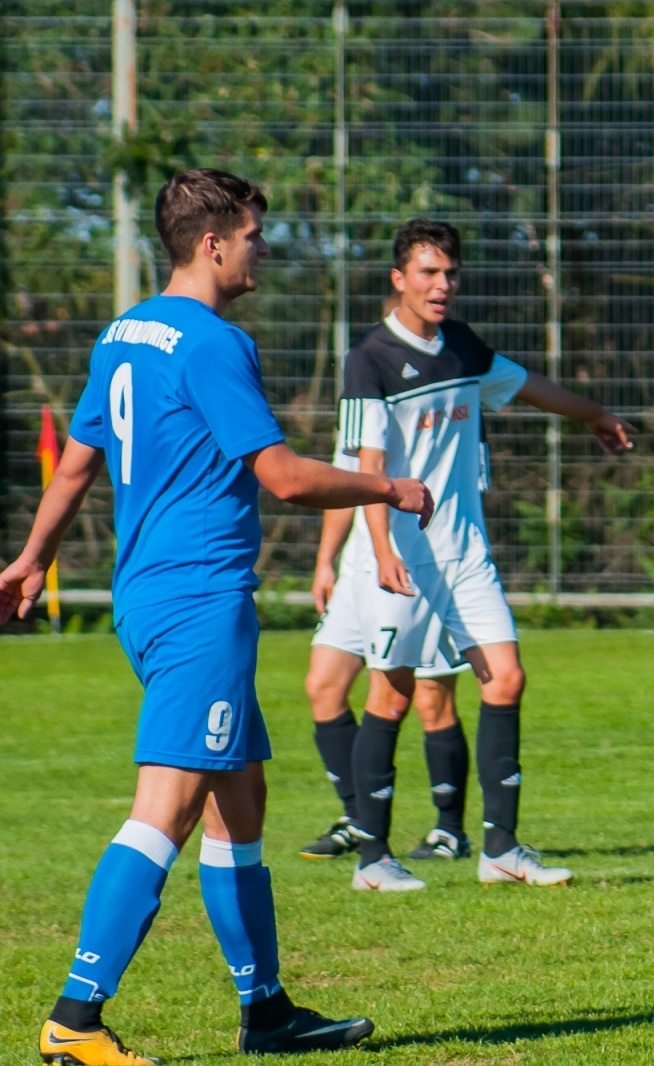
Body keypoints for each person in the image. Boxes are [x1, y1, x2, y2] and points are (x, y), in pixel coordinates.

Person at [0, 167, 432, 1064]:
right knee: (166, 809)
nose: (262, 248)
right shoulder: (210, 342)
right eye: (255, 234)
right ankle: (74, 1021)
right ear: (214, 242)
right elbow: (283, 477)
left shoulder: (124, 334)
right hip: (199, 598)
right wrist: (389, 485)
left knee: (243, 801)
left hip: (148, 594)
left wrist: (32, 556)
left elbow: (77, 464)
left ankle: (265, 1011)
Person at [340, 217, 635, 891]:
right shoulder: (371, 359)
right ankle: (372, 860)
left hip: (464, 554)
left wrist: (593, 414)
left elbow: (530, 386)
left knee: (505, 678)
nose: (442, 285)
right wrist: (381, 547)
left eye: (449, 274)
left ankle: (500, 849)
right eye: (427, 273)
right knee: (390, 694)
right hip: (401, 554)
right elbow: (369, 463)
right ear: (399, 280)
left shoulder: (462, 348)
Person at [300, 293, 476, 863]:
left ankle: (449, 829)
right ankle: (360, 817)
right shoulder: (364, 392)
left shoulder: (443, 402)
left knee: (428, 697)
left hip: (421, 559)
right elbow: (346, 482)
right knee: (324, 684)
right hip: (361, 564)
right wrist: (326, 561)